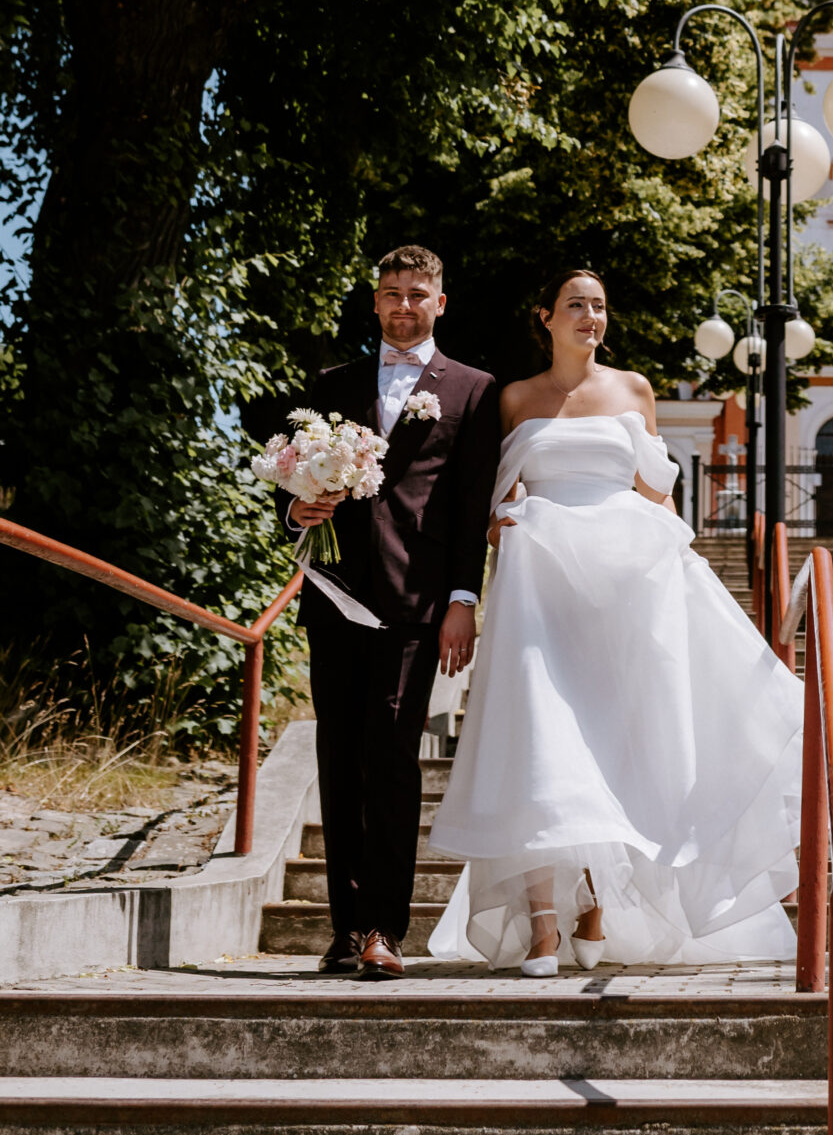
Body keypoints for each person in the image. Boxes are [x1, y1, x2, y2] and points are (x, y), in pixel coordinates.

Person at [427, 267, 804, 972]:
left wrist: (677, 568)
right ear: (545, 316)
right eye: (575, 304)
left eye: (599, 306)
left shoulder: (633, 390)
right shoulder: (514, 398)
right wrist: (500, 526)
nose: (590, 317)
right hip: (539, 590)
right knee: (541, 747)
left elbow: (655, 493)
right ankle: (543, 924)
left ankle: (597, 905)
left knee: (615, 749)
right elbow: (493, 495)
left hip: (623, 590)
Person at [280, 245, 501, 979]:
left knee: (392, 758)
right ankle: (345, 931)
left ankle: (385, 928)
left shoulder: (473, 389)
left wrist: (463, 599)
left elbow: (470, 506)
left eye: (417, 293)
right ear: (375, 301)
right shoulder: (331, 385)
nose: (403, 305)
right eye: (391, 293)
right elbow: (294, 481)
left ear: (440, 302)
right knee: (338, 758)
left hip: (415, 602)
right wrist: (296, 512)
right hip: (335, 594)